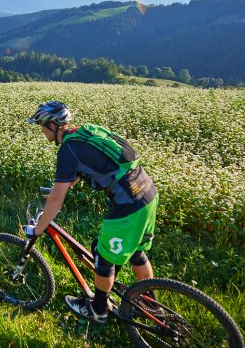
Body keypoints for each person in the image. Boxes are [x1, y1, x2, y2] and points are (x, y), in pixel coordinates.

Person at [28, 100, 158, 324]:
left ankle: (98, 311)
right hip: (148, 193)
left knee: (102, 256)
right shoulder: (85, 132)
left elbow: (57, 199)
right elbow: (91, 165)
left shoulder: (67, 150)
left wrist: (39, 229)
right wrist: (63, 187)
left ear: (53, 126)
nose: (41, 131)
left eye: (42, 126)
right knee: (136, 251)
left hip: (129, 203)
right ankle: (149, 304)